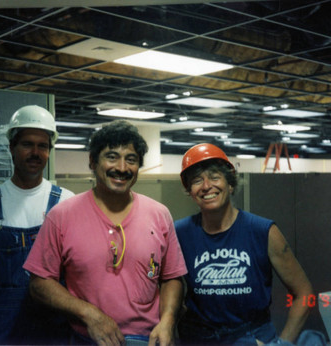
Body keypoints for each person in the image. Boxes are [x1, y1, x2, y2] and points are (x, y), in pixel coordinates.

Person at [23, 120, 187, 346]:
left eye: (131, 159)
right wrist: (89, 314)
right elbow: (39, 283)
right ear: (92, 161)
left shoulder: (159, 214)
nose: (121, 167)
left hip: (148, 339)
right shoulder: (62, 216)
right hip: (87, 338)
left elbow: (171, 278)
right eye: (111, 156)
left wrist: (168, 321)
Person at [0, 105, 75, 345]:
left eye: (43, 146)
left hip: (55, 329)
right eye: (27, 144)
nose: (35, 153)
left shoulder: (67, 203)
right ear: (11, 147)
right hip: (2, 330)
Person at [174, 143, 314, 345]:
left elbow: (305, 294)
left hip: (252, 338)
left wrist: (283, 344)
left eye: (214, 177)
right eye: (197, 180)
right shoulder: (180, 233)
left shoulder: (263, 231)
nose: (206, 186)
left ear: (230, 184)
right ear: (190, 191)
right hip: (198, 339)